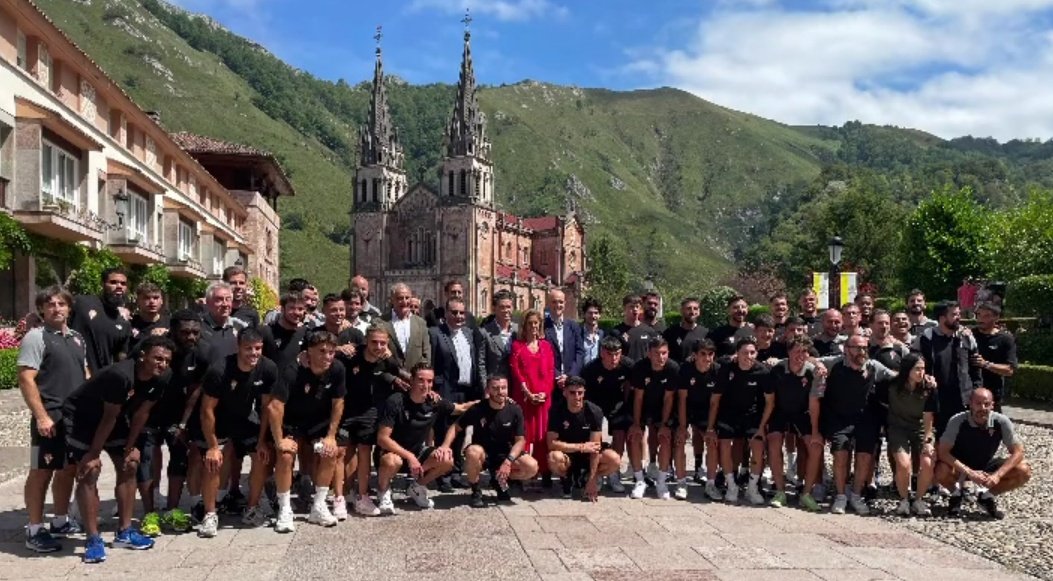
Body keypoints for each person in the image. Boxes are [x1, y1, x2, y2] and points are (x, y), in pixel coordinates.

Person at [63, 335, 175, 564]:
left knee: (130, 464)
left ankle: (124, 531)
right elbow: (107, 417)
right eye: (157, 358)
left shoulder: (163, 376)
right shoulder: (120, 375)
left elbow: (142, 413)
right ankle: (92, 538)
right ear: (143, 356)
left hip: (116, 417)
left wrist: (130, 446)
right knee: (90, 471)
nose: (162, 364)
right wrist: (93, 454)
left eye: (166, 360)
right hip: (83, 418)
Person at [18, 286, 88, 553]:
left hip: (74, 418)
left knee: (68, 468)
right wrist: (41, 416)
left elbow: (84, 373)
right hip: (50, 417)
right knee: (41, 472)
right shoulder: (37, 337)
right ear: (42, 310)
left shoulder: (77, 338)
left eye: (61, 304)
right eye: (50, 305)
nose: (56, 308)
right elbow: (26, 379)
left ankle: (60, 520)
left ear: (69, 308)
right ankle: (35, 530)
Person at [193, 328, 278, 537]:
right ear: (238, 347)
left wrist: (261, 441)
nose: (254, 353)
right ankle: (210, 513)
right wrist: (213, 446)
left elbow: (267, 407)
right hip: (217, 421)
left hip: (244, 419)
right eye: (248, 348)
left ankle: (251, 508)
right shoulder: (219, 369)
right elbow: (206, 410)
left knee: (262, 456)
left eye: (258, 348)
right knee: (214, 461)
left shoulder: (268, 368)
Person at [137, 310, 210, 537]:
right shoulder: (157, 346)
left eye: (195, 333)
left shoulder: (201, 354)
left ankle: (172, 510)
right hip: (149, 413)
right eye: (185, 332)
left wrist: (184, 423)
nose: (191, 337)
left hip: (178, 416)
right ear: (173, 331)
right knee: (147, 460)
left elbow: (196, 391)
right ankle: (150, 514)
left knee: (179, 461)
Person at [804, 334, 895, 515]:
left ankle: (855, 494)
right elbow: (809, 358)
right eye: (857, 348)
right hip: (839, 419)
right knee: (840, 455)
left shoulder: (873, 366)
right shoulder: (834, 363)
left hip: (865, 418)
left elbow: (895, 376)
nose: (861, 351)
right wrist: (818, 364)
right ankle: (840, 496)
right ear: (846, 350)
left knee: (864, 458)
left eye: (864, 348)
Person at [266, 330, 347, 532]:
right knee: (285, 457)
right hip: (292, 423)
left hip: (319, 423)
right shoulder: (292, 370)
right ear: (308, 352)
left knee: (331, 452)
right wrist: (278, 441)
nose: (327, 356)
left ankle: (318, 506)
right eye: (322, 351)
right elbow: (274, 407)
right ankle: (284, 509)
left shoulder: (337, 369)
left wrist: (330, 436)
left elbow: (338, 404)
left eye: (331, 351)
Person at [376, 365, 476, 514]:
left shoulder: (434, 402)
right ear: (411, 380)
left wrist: (491, 400)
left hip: (417, 453)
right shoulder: (396, 400)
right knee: (392, 461)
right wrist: (409, 457)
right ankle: (383, 492)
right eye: (421, 380)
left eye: (429, 381)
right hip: (393, 453)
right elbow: (382, 438)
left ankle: (417, 487)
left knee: (447, 460)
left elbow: (460, 408)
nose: (426, 385)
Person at [339, 326, 405, 517]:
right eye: (374, 342)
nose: (378, 346)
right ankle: (345, 494)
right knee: (345, 452)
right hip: (346, 410)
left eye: (383, 343)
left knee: (365, 451)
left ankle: (363, 496)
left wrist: (392, 373)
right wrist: (338, 349)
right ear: (366, 341)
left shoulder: (387, 360)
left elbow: (397, 372)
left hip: (370, 412)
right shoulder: (352, 355)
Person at [442, 375, 538, 507]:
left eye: (504, 388)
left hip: (504, 454)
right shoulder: (478, 408)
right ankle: (476, 490)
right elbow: (455, 427)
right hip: (483, 455)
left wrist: (508, 462)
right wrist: (445, 446)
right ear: (488, 390)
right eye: (495, 388)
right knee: (472, 452)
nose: (500, 392)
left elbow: (520, 441)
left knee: (531, 467)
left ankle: (499, 479)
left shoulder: (515, 409)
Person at [936, 388, 1031, 519]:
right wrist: (969, 472)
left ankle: (986, 495)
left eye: (986, 404)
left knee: (1023, 470)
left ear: (992, 404)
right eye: (978, 403)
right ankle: (958, 493)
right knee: (941, 470)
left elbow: (1018, 452)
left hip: (986, 464)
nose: (982, 408)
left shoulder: (1001, 421)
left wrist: (997, 475)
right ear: (970, 404)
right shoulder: (957, 421)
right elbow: (943, 452)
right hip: (960, 466)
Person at [706, 337, 774, 505]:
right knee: (724, 444)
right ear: (737, 353)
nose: (748, 356)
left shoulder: (763, 372)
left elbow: (770, 402)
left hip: (752, 417)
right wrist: (710, 427)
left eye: (752, 352)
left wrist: (762, 427)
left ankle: (752, 487)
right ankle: (731, 486)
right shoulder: (726, 370)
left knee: (758, 446)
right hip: (728, 415)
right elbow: (715, 400)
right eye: (745, 352)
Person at [429, 297, 486, 491]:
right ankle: (442, 476)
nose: (459, 316)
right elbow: (432, 364)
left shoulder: (469, 334)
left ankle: (455, 472)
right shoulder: (435, 334)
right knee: (444, 433)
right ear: (446, 314)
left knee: (461, 432)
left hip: (466, 390)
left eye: (462, 312)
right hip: (445, 390)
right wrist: (433, 390)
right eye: (454, 312)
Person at [766, 337, 821, 509]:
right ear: (788, 352)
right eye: (796, 350)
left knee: (815, 446)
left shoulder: (813, 372)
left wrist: (815, 431)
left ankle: (806, 492)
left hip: (802, 412)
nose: (800, 355)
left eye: (804, 351)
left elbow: (814, 403)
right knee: (774, 441)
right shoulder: (778, 369)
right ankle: (780, 491)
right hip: (780, 410)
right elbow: (771, 401)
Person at [912, 301, 981, 438]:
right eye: (954, 314)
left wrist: (976, 391)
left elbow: (976, 367)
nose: (958, 317)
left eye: (958, 314)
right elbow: (914, 362)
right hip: (937, 400)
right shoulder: (927, 338)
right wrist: (924, 377)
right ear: (942, 318)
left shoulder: (966, 337)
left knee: (964, 438)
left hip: (963, 399)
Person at [547, 376, 622, 501]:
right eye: (572, 392)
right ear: (565, 392)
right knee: (553, 458)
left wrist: (592, 479)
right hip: (568, 453)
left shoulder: (594, 411)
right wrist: (580, 447)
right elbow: (551, 443)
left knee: (614, 459)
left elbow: (595, 447)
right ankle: (568, 478)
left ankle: (588, 477)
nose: (577, 396)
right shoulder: (556, 410)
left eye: (580, 393)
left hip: (589, 454)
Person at [885, 353, 938, 517]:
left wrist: (928, 441)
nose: (921, 373)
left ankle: (919, 499)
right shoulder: (892, 385)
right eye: (917, 369)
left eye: (923, 369)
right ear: (907, 369)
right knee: (903, 463)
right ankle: (904, 499)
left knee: (928, 462)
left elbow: (929, 417)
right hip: (898, 428)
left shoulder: (929, 388)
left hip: (920, 428)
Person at [627, 337, 680, 499]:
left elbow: (669, 399)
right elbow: (638, 398)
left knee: (664, 438)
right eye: (656, 353)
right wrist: (636, 424)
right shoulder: (640, 368)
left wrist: (664, 424)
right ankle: (640, 480)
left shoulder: (673, 368)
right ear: (649, 354)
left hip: (662, 407)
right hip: (642, 407)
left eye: (664, 353)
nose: (660, 357)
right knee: (635, 437)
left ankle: (662, 481)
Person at [579, 336, 633, 493]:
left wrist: (627, 402)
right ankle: (598, 471)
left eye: (617, 354)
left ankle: (613, 472)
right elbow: (582, 392)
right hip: (595, 402)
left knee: (620, 430)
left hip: (617, 401)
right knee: (596, 434)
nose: (614, 358)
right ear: (602, 353)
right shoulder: (590, 369)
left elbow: (631, 383)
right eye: (610, 354)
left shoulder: (627, 365)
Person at [509, 310, 556, 485]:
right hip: (524, 398)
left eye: (536, 323)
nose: (534, 326)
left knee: (543, 434)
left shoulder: (546, 346)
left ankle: (544, 471)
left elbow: (551, 372)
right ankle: (524, 472)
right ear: (524, 325)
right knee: (524, 434)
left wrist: (545, 393)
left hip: (543, 398)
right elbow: (516, 372)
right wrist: (527, 393)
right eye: (530, 323)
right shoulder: (517, 346)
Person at [677, 339, 720, 497]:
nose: (707, 358)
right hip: (687, 407)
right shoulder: (686, 370)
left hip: (706, 409)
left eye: (710, 354)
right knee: (680, 439)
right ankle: (681, 483)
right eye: (703, 354)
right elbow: (682, 399)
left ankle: (710, 484)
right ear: (695, 355)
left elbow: (715, 402)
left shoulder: (717, 370)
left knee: (712, 441)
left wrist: (710, 429)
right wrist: (682, 427)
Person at [69, 267, 132, 374]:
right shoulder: (82, 303)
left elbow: (121, 357)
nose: (119, 286)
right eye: (113, 282)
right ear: (103, 284)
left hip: (99, 380)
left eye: (123, 283)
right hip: (73, 374)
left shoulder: (124, 322)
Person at [971, 303, 1017, 411]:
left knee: (992, 426)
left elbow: (1009, 370)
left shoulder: (1005, 339)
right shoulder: (969, 335)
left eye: (986, 316)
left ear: (996, 317)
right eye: (978, 315)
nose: (981, 319)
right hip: (970, 392)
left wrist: (986, 364)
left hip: (992, 394)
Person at [377, 283, 431, 369]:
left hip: (414, 379)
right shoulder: (380, 322)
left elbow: (426, 354)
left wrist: (417, 376)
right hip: (389, 377)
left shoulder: (421, 323)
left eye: (407, 298)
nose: (405, 301)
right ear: (392, 300)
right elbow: (376, 352)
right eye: (400, 298)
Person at [544, 289, 585, 398]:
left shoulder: (574, 326)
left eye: (561, 302)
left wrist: (570, 375)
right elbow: (542, 356)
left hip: (572, 383)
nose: (558, 305)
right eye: (554, 302)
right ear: (548, 303)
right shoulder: (542, 327)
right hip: (550, 382)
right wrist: (557, 376)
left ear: (565, 304)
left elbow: (580, 352)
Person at [258, 291, 307, 369]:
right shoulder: (266, 332)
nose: (297, 312)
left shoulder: (305, 334)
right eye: (292, 308)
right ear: (282, 309)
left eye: (300, 309)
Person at [199, 282, 241, 363]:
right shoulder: (198, 327)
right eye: (219, 300)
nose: (225, 304)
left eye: (228, 299)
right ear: (208, 303)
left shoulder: (239, 326)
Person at [480, 290, 518, 377]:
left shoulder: (518, 330)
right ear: (494, 309)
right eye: (502, 307)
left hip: (516, 385)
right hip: (495, 385)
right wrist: (485, 387)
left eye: (508, 307)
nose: (506, 310)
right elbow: (481, 364)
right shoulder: (485, 332)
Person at [662, 297, 708, 363]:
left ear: (699, 312)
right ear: (682, 310)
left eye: (695, 309)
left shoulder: (705, 333)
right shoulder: (670, 332)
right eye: (689, 308)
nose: (692, 312)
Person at [129, 283, 169, 356]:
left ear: (162, 301)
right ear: (138, 301)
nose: (152, 301)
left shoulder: (170, 324)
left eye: (156, 298)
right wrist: (149, 337)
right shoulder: (129, 323)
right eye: (146, 298)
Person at [612, 294, 656, 362]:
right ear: (624, 309)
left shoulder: (649, 331)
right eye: (631, 307)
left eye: (637, 307)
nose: (635, 309)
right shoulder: (616, 332)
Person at [580, 298, 604, 366]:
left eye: (596, 313)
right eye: (590, 313)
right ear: (584, 314)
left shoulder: (602, 334)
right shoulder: (577, 334)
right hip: (580, 374)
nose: (593, 316)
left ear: (599, 315)